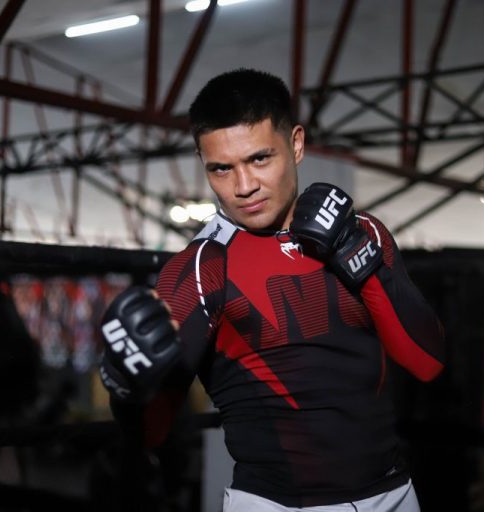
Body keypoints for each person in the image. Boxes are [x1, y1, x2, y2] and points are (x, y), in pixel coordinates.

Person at [99, 68, 445, 511]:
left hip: (393, 496)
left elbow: (427, 363)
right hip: (276, 503)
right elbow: (150, 432)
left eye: (260, 159)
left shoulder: (364, 232)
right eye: (221, 169)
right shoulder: (202, 269)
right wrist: (124, 383)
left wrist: (358, 256)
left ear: (296, 144)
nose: (243, 187)